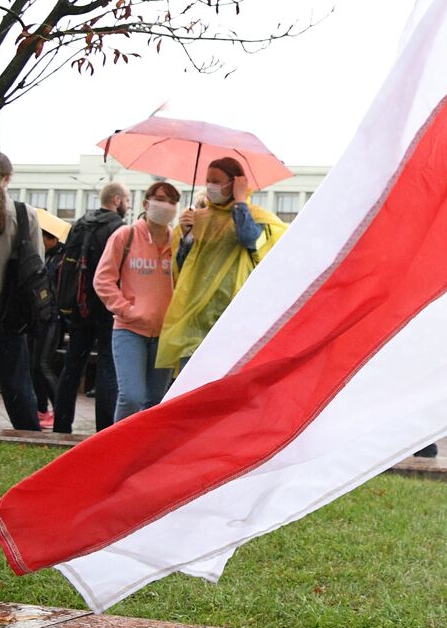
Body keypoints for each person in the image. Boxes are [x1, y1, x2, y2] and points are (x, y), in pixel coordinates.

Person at [158, 158, 286, 371]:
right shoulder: (197, 218)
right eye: (208, 180)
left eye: (216, 180)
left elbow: (250, 240)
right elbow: (181, 268)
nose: (210, 186)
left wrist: (240, 202)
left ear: (236, 183)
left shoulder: (256, 217)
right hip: (195, 319)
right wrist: (187, 238)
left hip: (233, 320)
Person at [94, 181, 179, 423]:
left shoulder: (178, 242)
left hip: (165, 334)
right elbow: (103, 279)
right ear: (146, 203)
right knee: (131, 395)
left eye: (172, 201)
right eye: (160, 199)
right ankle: (116, 450)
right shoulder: (126, 235)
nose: (166, 206)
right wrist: (126, 309)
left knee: (155, 401)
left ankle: (144, 455)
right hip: (129, 330)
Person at [52, 180, 129, 434]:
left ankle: (61, 426)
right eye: (127, 200)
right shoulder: (118, 228)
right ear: (117, 200)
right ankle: (104, 430)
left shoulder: (80, 224)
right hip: (107, 307)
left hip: (77, 306)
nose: (127, 206)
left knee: (72, 366)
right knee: (108, 366)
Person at [0, 154, 42, 431]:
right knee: (16, 382)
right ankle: (28, 433)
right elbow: (37, 268)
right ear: (8, 178)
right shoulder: (24, 214)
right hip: (10, 312)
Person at [29, 222, 66, 428]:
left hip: (51, 317)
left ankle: (58, 409)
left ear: (52, 239)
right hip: (41, 318)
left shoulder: (59, 260)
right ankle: (42, 409)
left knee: (43, 365)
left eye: (43, 238)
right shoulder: (47, 257)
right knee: (35, 366)